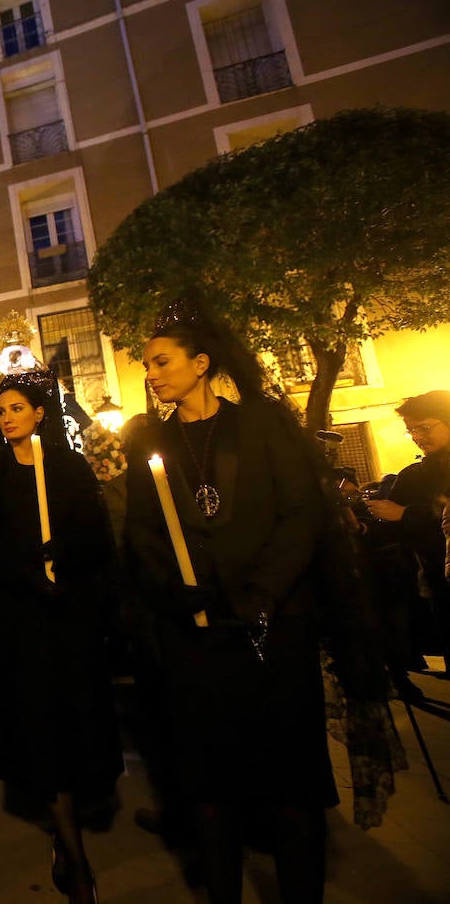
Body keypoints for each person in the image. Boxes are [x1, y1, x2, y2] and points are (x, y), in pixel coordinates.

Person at [124, 303, 335, 902]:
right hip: (199, 637)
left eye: (162, 362)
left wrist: (264, 592)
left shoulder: (261, 426)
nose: (153, 375)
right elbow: (142, 529)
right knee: (211, 785)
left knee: (291, 785)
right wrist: (172, 584)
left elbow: (301, 515)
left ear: (201, 362)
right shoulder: (154, 444)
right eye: (147, 366)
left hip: (273, 629)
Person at [0, 368, 121, 904]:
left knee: (76, 721)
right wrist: (25, 570)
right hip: (22, 621)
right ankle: (71, 848)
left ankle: (75, 813)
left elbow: (94, 537)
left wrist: (69, 567)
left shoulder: (69, 467)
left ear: (39, 414)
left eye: (17, 408)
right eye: (2, 410)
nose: (8, 417)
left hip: (70, 617)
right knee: (43, 728)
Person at [364, 391, 450, 668]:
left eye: (424, 427)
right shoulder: (413, 476)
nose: (417, 436)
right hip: (438, 582)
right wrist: (363, 525)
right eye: (411, 430)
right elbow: (389, 529)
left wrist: (406, 514)